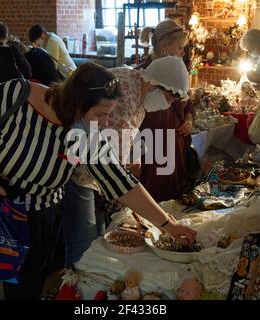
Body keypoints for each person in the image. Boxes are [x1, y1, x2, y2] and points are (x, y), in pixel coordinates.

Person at [0, 62, 196, 300]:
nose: (105, 124)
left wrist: (167, 225)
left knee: (26, 287)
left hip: (38, 215)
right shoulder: (16, 92)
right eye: (101, 114)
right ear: (76, 104)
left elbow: (118, 180)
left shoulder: (85, 134)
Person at [62, 56, 190, 267]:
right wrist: (165, 222)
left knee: (97, 239)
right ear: (154, 83)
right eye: (168, 98)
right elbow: (112, 170)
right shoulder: (124, 94)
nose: (168, 105)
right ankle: (74, 288)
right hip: (81, 175)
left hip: (101, 174)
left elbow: (129, 134)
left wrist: (134, 157)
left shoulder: (137, 85)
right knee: (83, 244)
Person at [136, 19, 195, 202]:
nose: (182, 52)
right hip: (152, 146)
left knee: (174, 199)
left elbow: (188, 100)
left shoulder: (177, 71)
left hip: (174, 142)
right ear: (163, 45)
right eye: (179, 47)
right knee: (154, 196)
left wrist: (189, 118)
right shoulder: (141, 75)